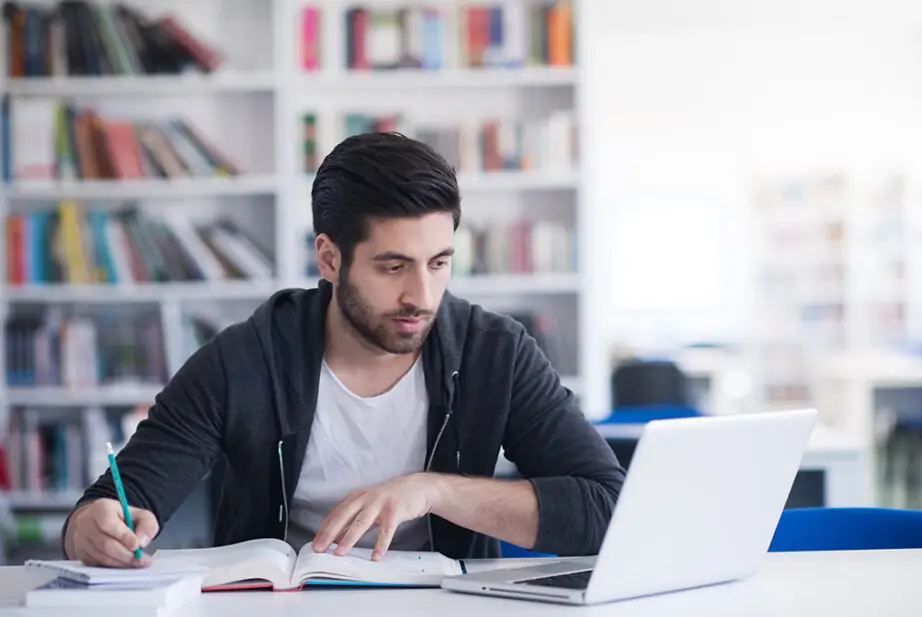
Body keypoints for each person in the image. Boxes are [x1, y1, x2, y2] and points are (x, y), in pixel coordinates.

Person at [62, 132, 627, 568]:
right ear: (329, 259)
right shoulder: (242, 360)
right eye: (393, 266)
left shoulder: (494, 354)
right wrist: (94, 527)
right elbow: (116, 499)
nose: (422, 296)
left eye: (439, 263)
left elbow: (606, 509)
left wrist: (432, 492)